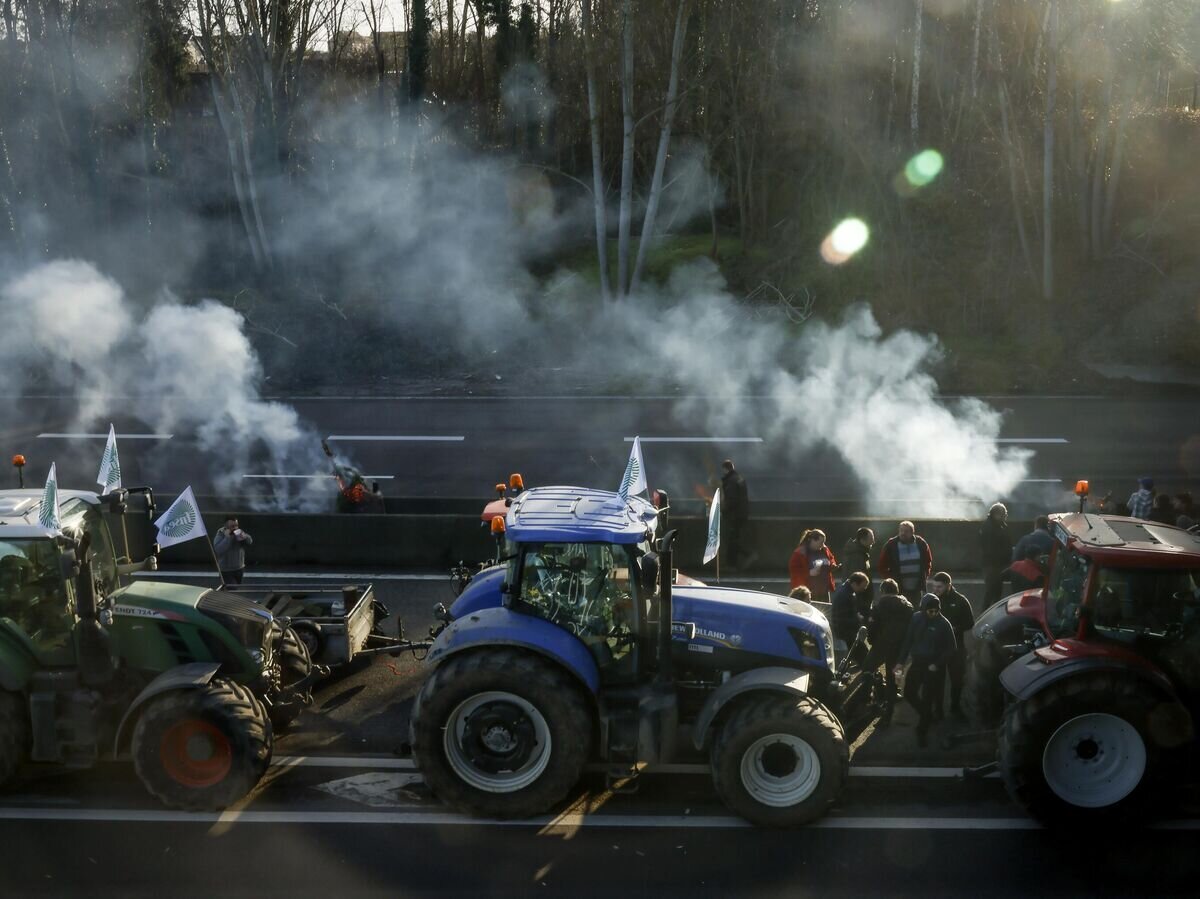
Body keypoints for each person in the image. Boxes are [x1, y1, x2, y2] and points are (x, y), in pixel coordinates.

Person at [894, 594, 956, 747]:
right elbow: (908, 640)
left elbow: (951, 648)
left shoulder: (944, 624)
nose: (933, 614)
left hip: (934, 667)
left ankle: (922, 730)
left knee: (928, 698)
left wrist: (937, 663)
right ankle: (926, 715)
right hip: (918, 662)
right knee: (909, 692)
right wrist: (900, 662)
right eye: (930, 611)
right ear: (923, 610)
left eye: (936, 611)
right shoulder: (916, 619)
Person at [864, 579, 913, 727]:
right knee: (893, 679)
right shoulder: (908, 606)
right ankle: (888, 714)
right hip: (900, 647)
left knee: (867, 669)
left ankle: (876, 697)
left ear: (883, 591)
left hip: (882, 644)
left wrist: (872, 641)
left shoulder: (879, 606)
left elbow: (872, 627)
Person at [928, 572, 975, 722]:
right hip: (936, 649)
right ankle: (937, 710)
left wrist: (956, 628)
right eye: (934, 586)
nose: (935, 590)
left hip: (956, 648)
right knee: (936, 681)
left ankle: (955, 707)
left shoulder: (961, 601)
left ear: (949, 585)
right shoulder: (930, 600)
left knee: (957, 681)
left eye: (939, 587)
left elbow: (970, 623)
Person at [877, 521, 932, 604]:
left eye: (906, 531)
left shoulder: (920, 543)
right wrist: (891, 579)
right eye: (901, 530)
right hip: (898, 588)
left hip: (916, 588)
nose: (903, 533)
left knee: (915, 610)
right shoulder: (891, 544)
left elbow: (928, 561)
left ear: (912, 532)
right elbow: (881, 565)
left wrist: (925, 576)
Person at [788, 528, 838, 602]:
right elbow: (794, 571)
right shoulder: (800, 553)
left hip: (824, 591)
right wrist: (809, 573)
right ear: (813, 540)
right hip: (809, 593)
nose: (822, 545)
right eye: (821, 542)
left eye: (823, 542)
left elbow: (831, 559)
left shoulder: (824, 549)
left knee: (824, 611)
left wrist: (833, 565)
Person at [720, 460, 753, 569]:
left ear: (725, 469)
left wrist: (723, 510)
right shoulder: (739, 478)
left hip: (734, 515)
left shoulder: (731, 481)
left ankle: (733, 563)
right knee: (735, 538)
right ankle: (733, 563)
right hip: (742, 514)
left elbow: (731, 499)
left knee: (732, 540)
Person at [979, 503, 1013, 608]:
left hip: (993, 565)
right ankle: (986, 614)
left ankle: (988, 613)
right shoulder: (991, 528)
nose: (1005, 516)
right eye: (1004, 514)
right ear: (997, 515)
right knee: (992, 592)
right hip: (993, 565)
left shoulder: (991, 526)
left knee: (994, 592)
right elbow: (990, 548)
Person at [830, 572, 871, 654]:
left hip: (845, 628)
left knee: (861, 651)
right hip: (844, 631)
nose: (864, 589)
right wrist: (858, 619)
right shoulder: (846, 595)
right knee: (863, 654)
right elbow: (842, 617)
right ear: (855, 584)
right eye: (862, 587)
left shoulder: (846, 591)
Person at [841, 527, 875, 616]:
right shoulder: (857, 556)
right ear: (862, 540)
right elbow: (856, 581)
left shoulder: (860, 553)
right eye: (871, 539)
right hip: (860, 600)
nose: (873, 542)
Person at [214, 518, 253, 586]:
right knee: (231, 588)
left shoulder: (238, 532)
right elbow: (219, 549)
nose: (235, 528)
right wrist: (228, 538)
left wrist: (245, 537)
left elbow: (249, 542)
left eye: (236, 525)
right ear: (226, 526)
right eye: (232, 526)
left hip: (239, 568)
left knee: (236, 587)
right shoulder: (221, 534)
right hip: (226, 570)